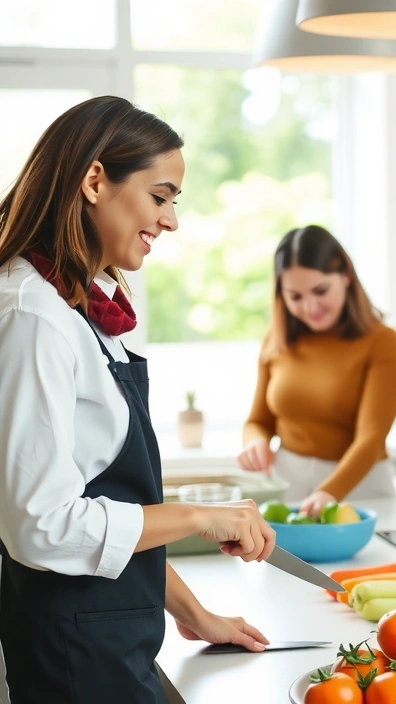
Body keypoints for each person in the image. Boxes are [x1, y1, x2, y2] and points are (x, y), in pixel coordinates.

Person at [0, 96, 274, 704]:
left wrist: (193, 612)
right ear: (95, 180)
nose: (171, 220)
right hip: (76, 648)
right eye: (160, 195)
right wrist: (202, 516)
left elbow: (109, 504)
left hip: (111, 629)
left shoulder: (79, 306)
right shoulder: (34, 316)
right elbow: (42, 528)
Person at [238, 225, 396, 517]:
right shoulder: (276, 339)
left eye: (320, 291)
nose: (310, 306)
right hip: (287, 484)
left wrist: (328, 493)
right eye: (295, 296)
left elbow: (370, 438)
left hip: (360, 489)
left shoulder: (383, 342)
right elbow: (258, 421)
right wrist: (255, 442)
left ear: (345, 275)